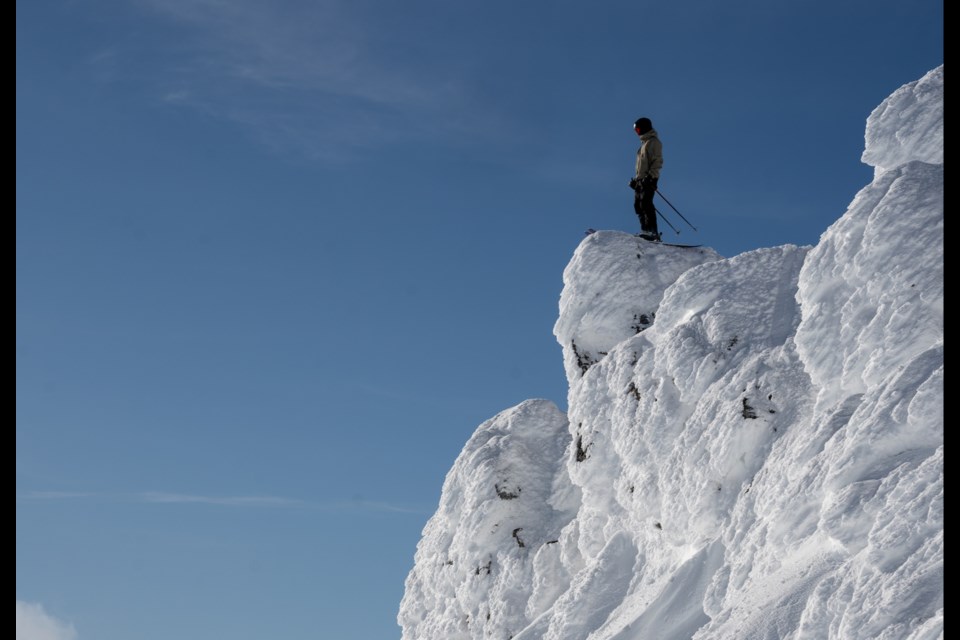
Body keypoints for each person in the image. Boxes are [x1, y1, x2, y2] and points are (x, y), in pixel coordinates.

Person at [629, 117, 663, 241]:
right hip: (641, 181)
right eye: (635, 130)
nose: (637, 132)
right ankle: (645, 231)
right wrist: (636, 180)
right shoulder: (643, 144)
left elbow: (657, 161)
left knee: (646, 203)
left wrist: (651, 177)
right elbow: (641, 165)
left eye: (637, 129)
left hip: (649, 179)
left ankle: (652, 232)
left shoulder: (653, 142)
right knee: (638, 205)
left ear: (644, 128)